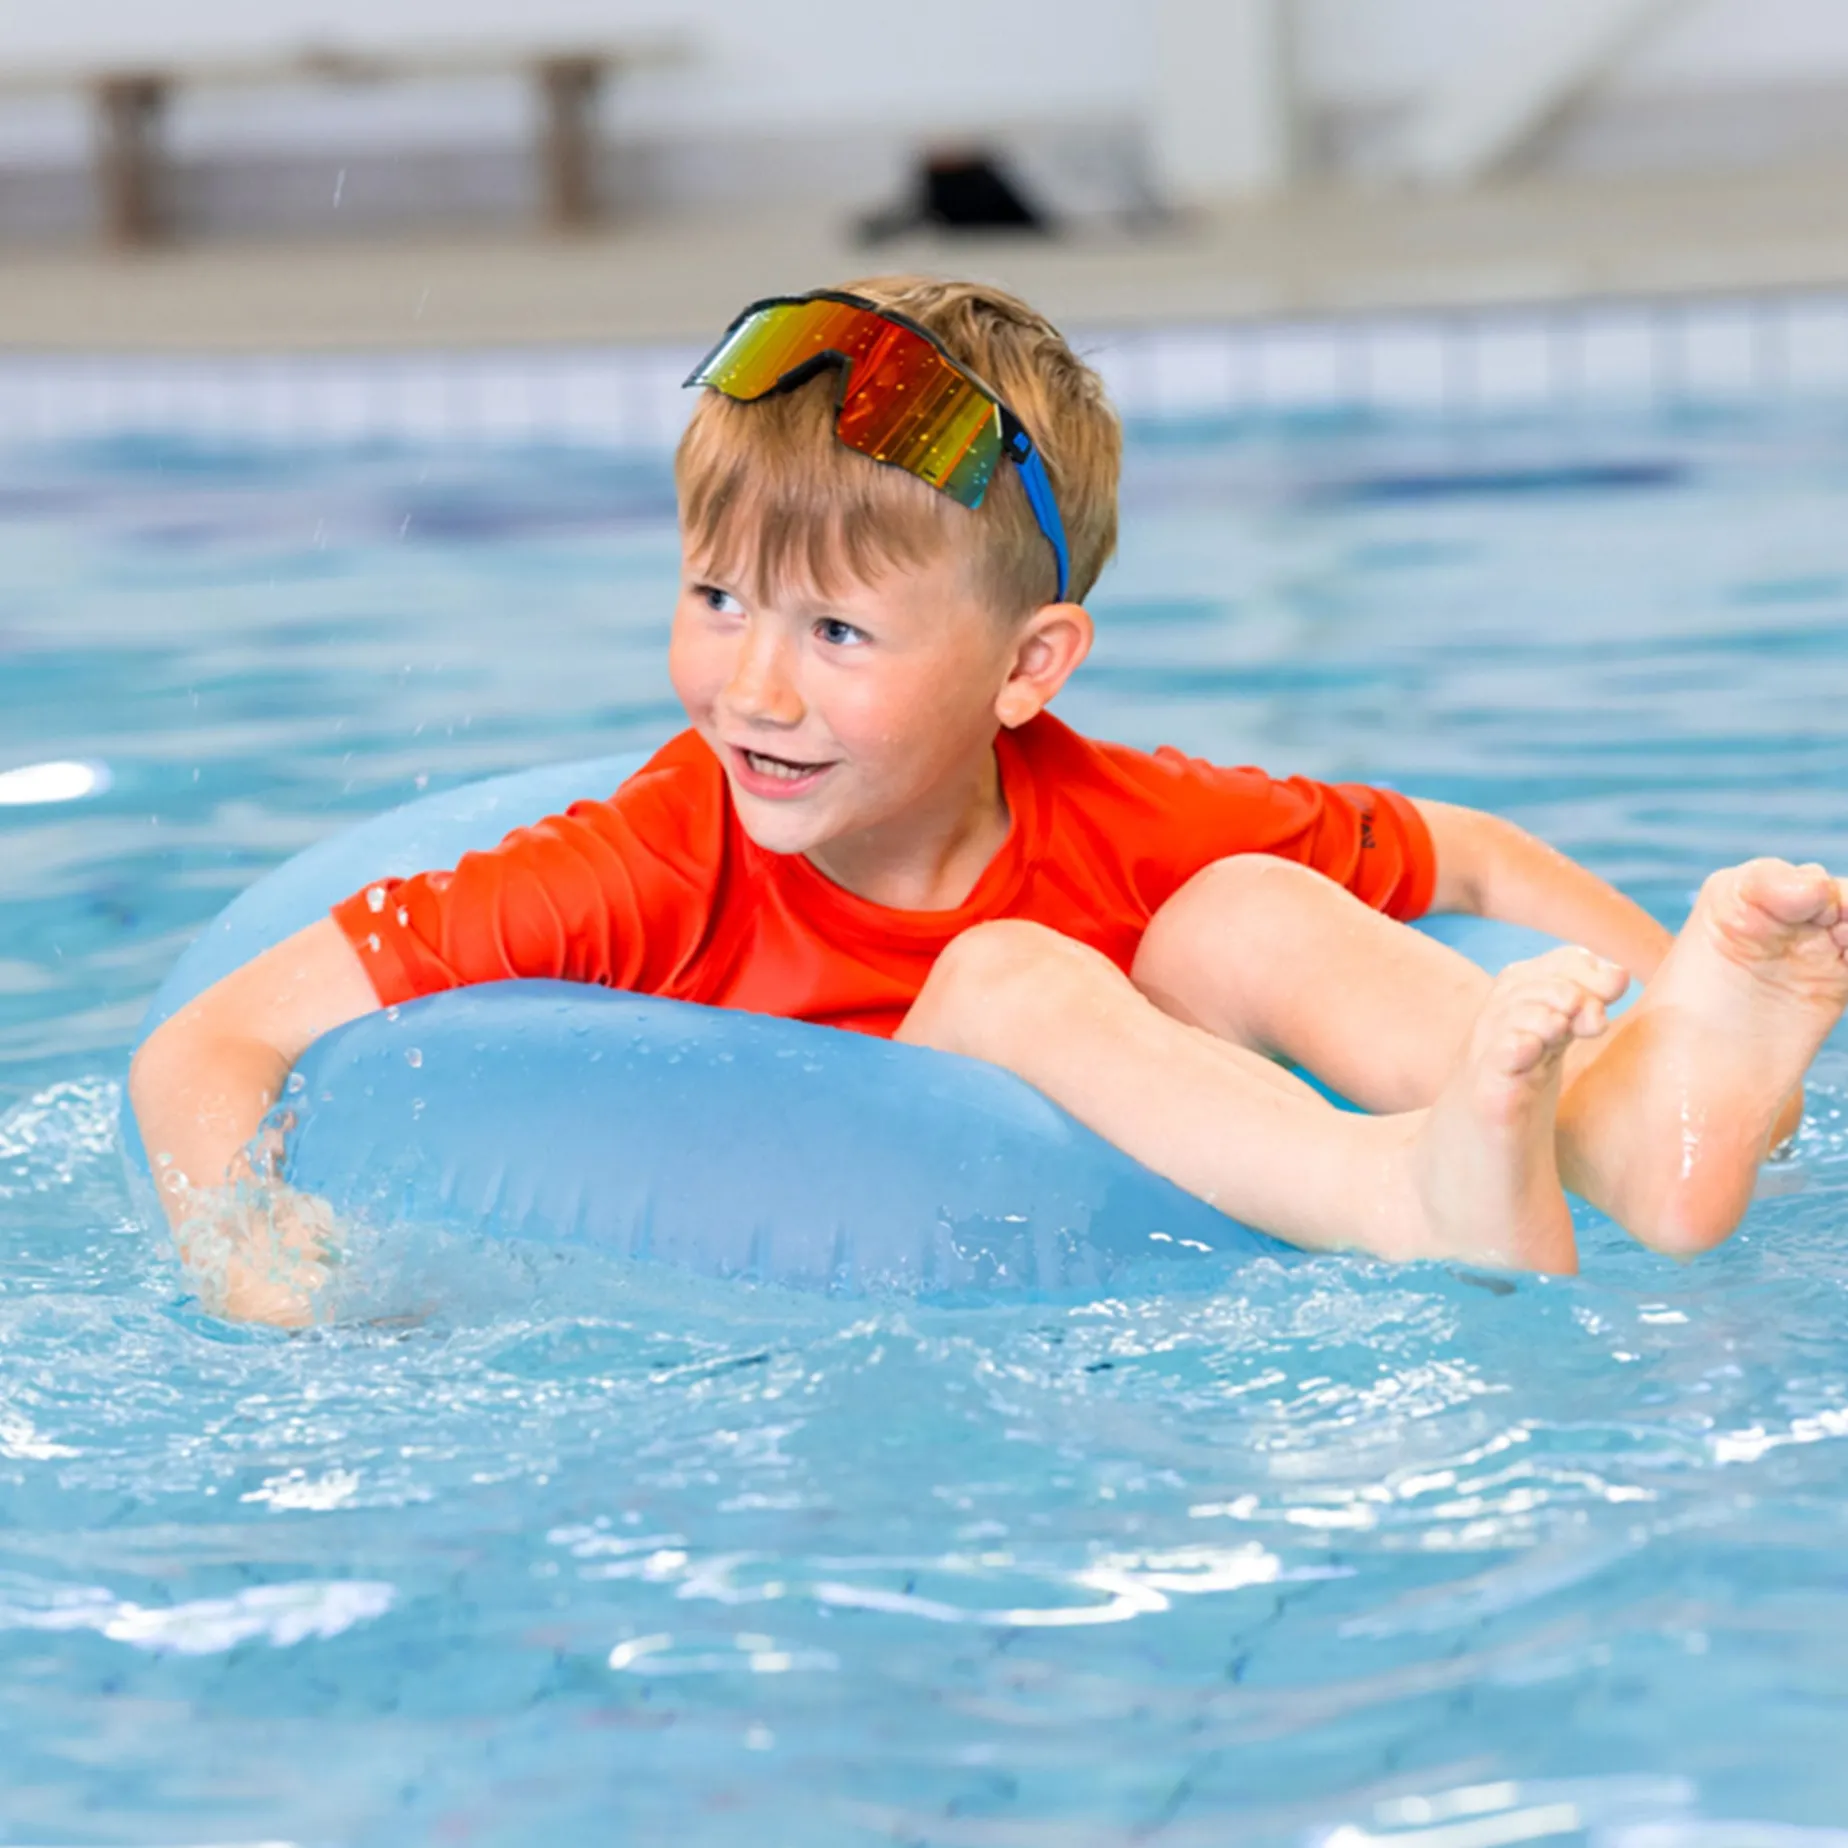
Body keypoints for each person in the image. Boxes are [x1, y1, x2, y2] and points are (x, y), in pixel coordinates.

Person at [130, 277, 1848, 1325]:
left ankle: (1637, 1133)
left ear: (1030, 668)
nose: (755, 688)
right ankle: (1404, 1192)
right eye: (716, 598)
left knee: (1251, 909)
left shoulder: (1121, 812)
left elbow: (1467, 852)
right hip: (868, 1245)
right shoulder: (644, 862)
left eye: (837, 632)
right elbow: (208, 1043)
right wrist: (256, 1269)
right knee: (1013, 975)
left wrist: (1668, 1006)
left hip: (1121, 1151)